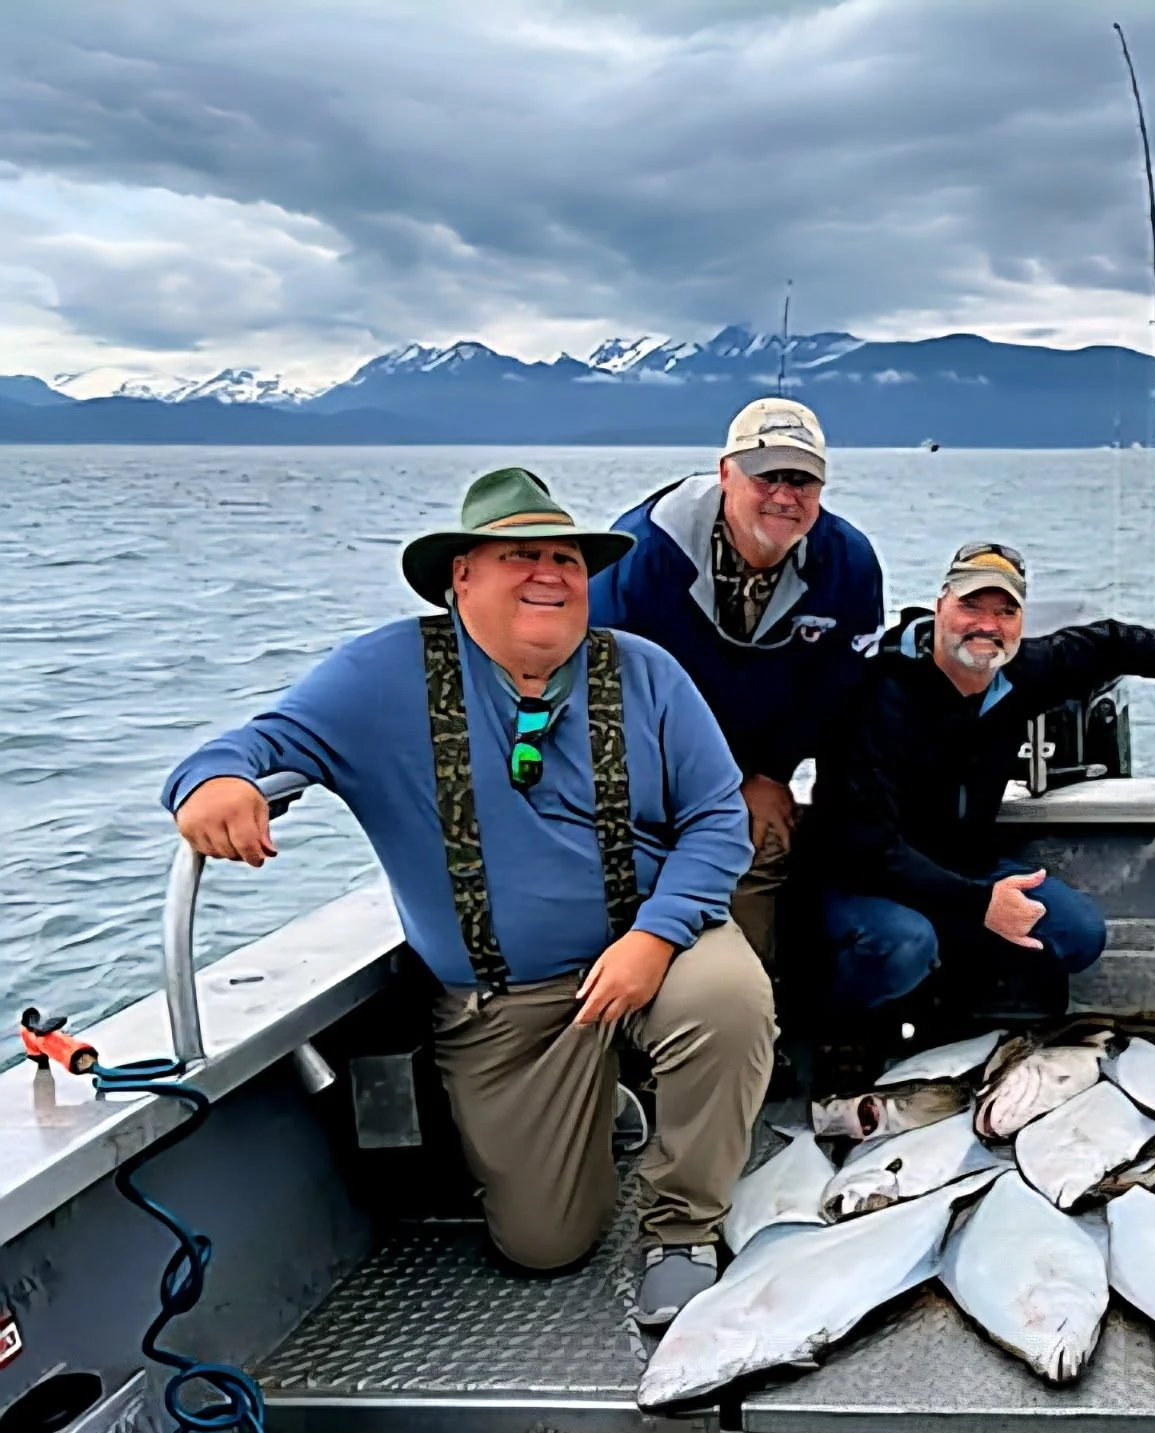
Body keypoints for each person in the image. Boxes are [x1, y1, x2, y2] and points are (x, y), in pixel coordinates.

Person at [164, 468, 775, 1325]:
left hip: (650, 952)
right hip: (503, 1004)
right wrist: (213, 785)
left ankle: (685, 1227)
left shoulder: (648, 672)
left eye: (566, 558)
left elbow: (718, 821)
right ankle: (607, 1107)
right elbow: (256, 743)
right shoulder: (383, 674)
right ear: (462, 577)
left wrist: (657, 937)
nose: (550, 574)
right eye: (520, 555)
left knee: (729, 1000)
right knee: (542, 1246)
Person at [797, 541, 1155, 1090]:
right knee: (906, 944)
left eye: (1006, 611)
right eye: (972, 606)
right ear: (940, 605)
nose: (987, 625)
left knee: (1078, 932)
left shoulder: (1024, 671)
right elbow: (865, 844)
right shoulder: (877, 693)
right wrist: (980, 904)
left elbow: (1117, 642)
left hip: (962, 866)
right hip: (862, 880)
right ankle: (840, 1028)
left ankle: (956, 1003)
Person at [589, 399, 883, 970]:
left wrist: (772, 773)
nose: (784, 495)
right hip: (644, 769)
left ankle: (757, 1028)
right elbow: (602, 688)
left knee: (761, 845)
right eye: (766, 474)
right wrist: (692, 790)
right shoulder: (640, 555)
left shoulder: (849, 564)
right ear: (726, 472)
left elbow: (841, 684)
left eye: (802, 479)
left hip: (756, 769)